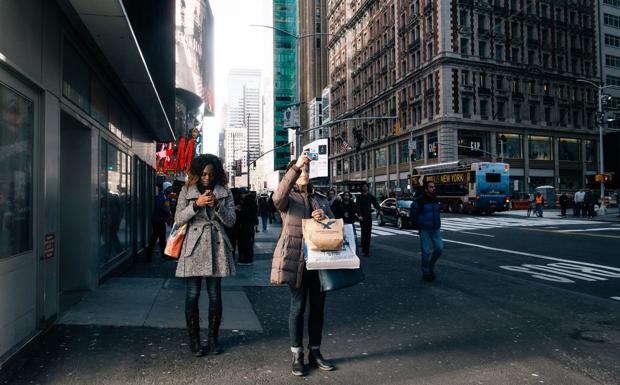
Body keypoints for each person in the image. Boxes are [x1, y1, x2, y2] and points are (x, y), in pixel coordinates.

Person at [271, 154, 336, 377]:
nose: (305, 173)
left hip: (320, 261)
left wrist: (324, 217)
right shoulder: (288, 198)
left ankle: (315, 351)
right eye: (302, 170)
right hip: (295, 259)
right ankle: (297, 353)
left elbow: (335, 226)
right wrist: (295, 168)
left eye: (307, 169)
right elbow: (276, 198)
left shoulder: (320, 198)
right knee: (298, 307)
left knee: (318, 308)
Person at [174, 154, 236, 357]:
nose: (207, 177)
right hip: (193, 246)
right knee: (192, 294)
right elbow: (178, 219)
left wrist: (217, 206)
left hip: (216, 245)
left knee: (215, 295)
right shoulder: (186, 190)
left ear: (217, 173)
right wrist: (196, 204)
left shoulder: (224, 192)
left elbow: (231, 221)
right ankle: (194, 340)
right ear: (196, 174)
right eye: (203, 174)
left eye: (211, 174)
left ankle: (213, 338)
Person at [409, 180, 443, 282]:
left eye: (434, 187)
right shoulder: (419, 201)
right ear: (426, 189)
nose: (434, 188)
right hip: (425, 229)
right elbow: (413, 214)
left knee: (439, 248)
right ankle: (426, 272)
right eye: (431, 187)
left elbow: (438, 213)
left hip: (435, 228)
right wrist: (418, 225)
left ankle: (430, 266)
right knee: (426, 252)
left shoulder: (436, 199)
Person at [145, 181, 172, 262]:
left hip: (160, 220)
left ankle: (150, 255)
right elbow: (159, 205)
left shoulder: (165, 195)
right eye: (170, 188)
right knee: (159, 238)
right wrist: (167, 211)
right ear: (166, 188)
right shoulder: (161, 195)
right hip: (158, 220)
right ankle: (154, 255)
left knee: (158, 237)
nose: (171, 190)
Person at [356, 183, 380, 256]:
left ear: (368, 188)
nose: (365, 188)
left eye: (366, 186)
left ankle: (367, 250)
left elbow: (375, 203)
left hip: (369, 217)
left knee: (368, 233)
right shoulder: (359, 197)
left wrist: (379, 210)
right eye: (363, 186)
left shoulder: (370, 196)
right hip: (362, 218)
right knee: (364, 233)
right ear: (362, 188)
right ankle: (364, 249)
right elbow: (357, 207)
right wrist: (359, 215)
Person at [237, 188, 257, 264]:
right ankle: (248, 258)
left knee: (245, 243)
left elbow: (246, 213)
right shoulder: (252, 200)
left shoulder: (247, 201)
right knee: (248, 242)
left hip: (246, 225)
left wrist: (240, 210)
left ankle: (246, 259)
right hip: (250, 225)